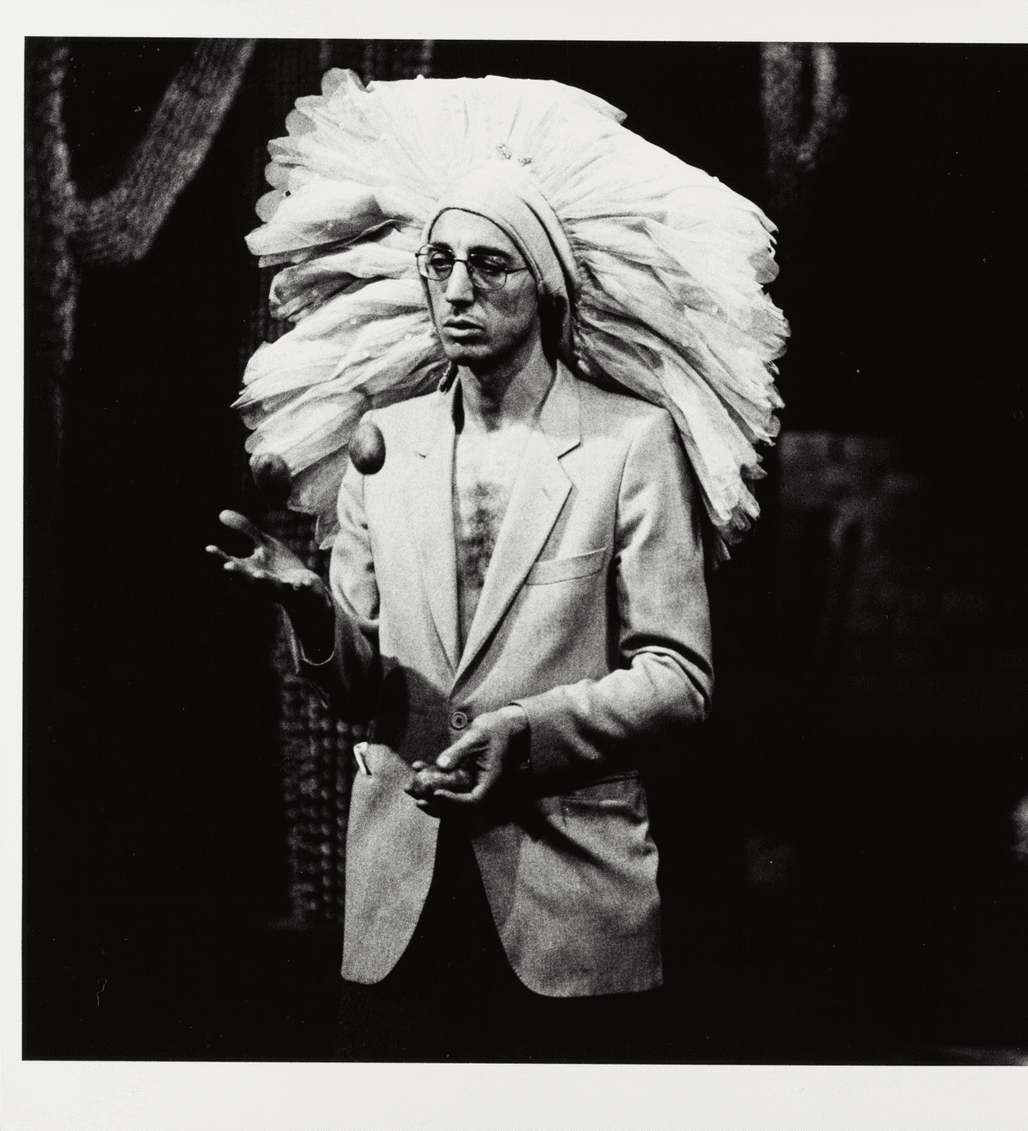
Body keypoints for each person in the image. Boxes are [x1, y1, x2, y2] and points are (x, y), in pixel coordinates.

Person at [207, 72, 786, 1061]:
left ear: (548, 283)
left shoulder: (627, 445)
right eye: (440, 263)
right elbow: (369, 687)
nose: (459, 289)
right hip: (401, 910)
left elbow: (678, 682)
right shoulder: (382, 442)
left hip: (567, 903)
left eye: (490, 265)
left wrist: (528, 735)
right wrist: (308, 609)